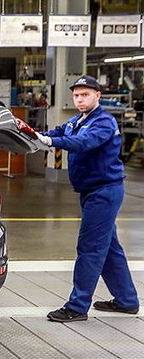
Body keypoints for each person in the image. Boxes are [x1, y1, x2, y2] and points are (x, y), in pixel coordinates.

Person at [37, 75, 139, 322]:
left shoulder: (103, 121)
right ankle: (127, 300)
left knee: (90, 248)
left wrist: (51, 141)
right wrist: (30, 135)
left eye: (85, 95)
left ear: (97, 96)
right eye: (76, 95)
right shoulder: (77, 120)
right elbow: (57, 132)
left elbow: (83, 143)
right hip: (91, 191)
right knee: (109, 248)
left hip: (104, 192)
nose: (80, 99)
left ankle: (77, 306)